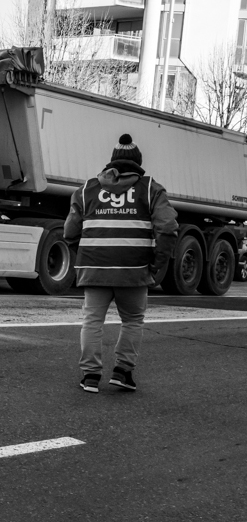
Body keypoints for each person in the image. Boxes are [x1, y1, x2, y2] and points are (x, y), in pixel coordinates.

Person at [64, 133, 178, 393]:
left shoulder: (86, 189)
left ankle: (90, 377)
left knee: (92, 321)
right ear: (138, 162)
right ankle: (122, 373)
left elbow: (70, 231)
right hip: (134, 270)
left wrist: (85, 255)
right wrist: (158, 263)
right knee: (133, 320)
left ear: (112, 161)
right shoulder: (151, 189)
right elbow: (168, 228)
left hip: (95, 269)